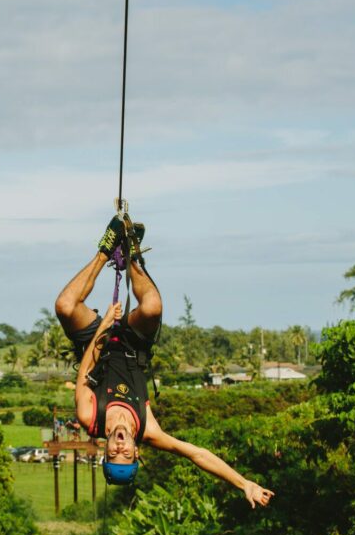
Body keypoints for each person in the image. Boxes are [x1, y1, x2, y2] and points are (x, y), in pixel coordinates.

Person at [53, 216, 274, 508]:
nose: (120, 447)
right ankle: (131, 255)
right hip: (132, 346)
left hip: (96, 344)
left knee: (65, 306)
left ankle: (105, 250)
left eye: (115, 453)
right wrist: (244, 483)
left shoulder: (90, 417)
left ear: (105, 451)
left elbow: (86, 371)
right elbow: (197, 454)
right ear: (136, 451)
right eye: (127, 454)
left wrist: (105, 325)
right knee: (153, 307)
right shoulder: (149, 430)